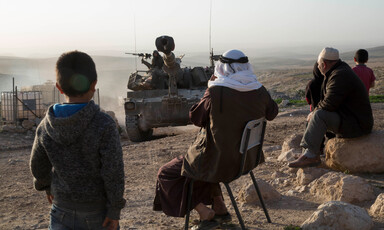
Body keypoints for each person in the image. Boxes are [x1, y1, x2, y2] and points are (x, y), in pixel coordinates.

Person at [153, 49, 278, 229]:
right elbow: (272, 113)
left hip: (220, 162)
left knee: (166, 173)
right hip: (247, 160)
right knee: (211, 157)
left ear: (223, 67)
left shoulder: (216, 92)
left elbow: (196, 118)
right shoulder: (259, 90)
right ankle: (220, 208)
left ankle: (204, 212)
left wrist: (208, 90)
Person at [30, 51, 126, 230]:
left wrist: (45, 185)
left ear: (59, 88)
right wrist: (114, 209)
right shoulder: (104, 124)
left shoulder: (46, 125)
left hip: (60, 210)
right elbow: (113, 172)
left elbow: (37, 165)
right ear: (94, 85)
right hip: (97, 213)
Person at [289, 47, 374, 168]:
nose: (318, 67)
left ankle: (311, 156)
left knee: (318, 115)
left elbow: (330, 103)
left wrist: (315, 112)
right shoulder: (338, 71)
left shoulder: (340, 75)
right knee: (314, 115)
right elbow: (328, 101)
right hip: (350, 119)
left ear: (323, 64)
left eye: (318, 64)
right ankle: (308, 153)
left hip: (357, 124)